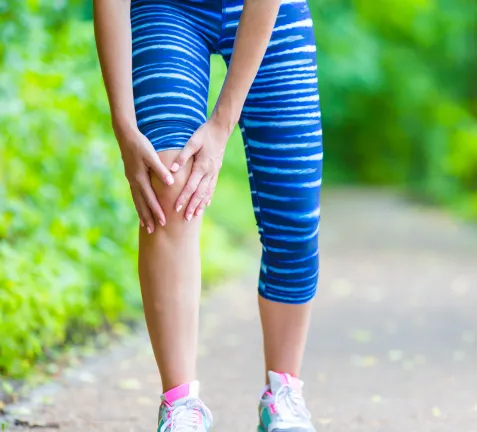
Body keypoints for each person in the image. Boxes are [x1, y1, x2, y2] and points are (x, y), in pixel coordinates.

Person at [93, 0, 322, 430]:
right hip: (166, 9)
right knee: (168, 183)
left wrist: (222, 124)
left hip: (271, 11)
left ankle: (283, 394)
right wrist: (124, 126)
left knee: (294, 211)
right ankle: (180, 405)